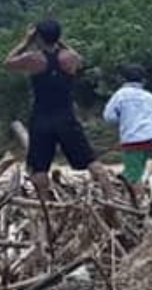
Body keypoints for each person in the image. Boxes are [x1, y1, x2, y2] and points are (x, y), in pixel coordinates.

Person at [3, 20, 115, 203]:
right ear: (58, 36)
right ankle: (110, 198)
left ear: (38, 37)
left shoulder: (33, 59)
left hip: (41, 118)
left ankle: (46, 208)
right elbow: (79, 59)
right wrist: (60, 42)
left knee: (39, 169)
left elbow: (7, 63)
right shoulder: (69, 58)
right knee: (91, 161)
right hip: (66, 117)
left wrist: (25, 41)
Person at [102, 64, 152, 195]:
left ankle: (139, 202)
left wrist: (123, 121)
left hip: (133, 139)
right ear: (143, 80)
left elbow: (109, 117)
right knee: (137, 168)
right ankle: (132, 191)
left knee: (133, 174)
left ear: (123, 80)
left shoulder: (120, 95)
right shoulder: (149, 96)